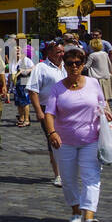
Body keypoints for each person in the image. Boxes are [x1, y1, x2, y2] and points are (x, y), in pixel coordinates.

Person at [45, 44, 112, 222]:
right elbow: (49, 113)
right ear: (65, 65)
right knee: (68, 179)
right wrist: (52, 133)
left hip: (91, 140)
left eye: (78, 63)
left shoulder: (93, 83)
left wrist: (107, 113)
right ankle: (75, 209)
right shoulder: (57, 88)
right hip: (65, 142)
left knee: (91, 177)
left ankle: (89, 217)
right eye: (69, 63)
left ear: (83, 64)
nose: (74, 66)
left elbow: (102, 104)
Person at [27, 40, 67, 185]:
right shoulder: (41, 68)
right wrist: (38, 111)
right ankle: (58, 174)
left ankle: (68, 170)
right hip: (48, 110)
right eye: (58, 52)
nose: (62, 55)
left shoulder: (67, 66)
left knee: (67, 139)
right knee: (53, 139)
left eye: (63, 52)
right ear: (49, 53)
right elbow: (33, 91)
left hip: (66, 109)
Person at [13, 44, 35, 126]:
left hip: (24, 80)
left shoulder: (27, 60)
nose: (17, 51)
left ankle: (26, 119)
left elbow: (33, 68)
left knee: (25, 101)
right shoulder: (15, 61)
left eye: (18, 50)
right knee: (18, 101)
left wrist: (25, 71)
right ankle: (21, 118)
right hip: (17, 82)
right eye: (16, 50)